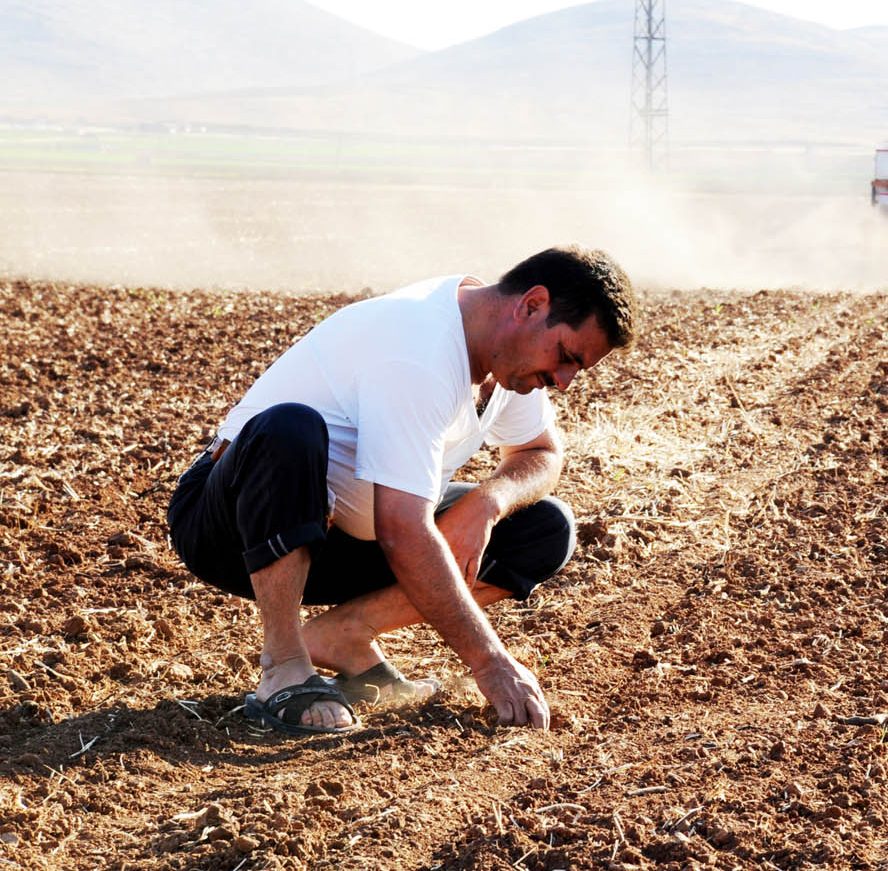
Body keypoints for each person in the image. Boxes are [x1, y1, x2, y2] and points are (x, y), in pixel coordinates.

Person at [166, 246, 636, 735]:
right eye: (565, 357)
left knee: (545, 527)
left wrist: (488, 502)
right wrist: (489, 661)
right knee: (290, 428)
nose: (563, 381)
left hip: (346, 537)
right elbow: (402, 529)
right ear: (532, 305)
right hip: (233, 526)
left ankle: (345, 633)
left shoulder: (509, 365)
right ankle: (284, 665)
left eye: (576, 369)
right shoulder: (419, 347)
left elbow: (541, 452)